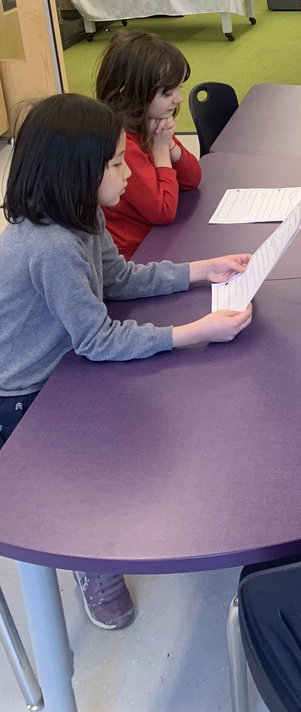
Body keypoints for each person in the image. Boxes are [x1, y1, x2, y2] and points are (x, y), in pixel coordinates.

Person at [0, 94, 252, 631]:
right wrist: (194, 333)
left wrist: (200, 270)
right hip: (24, 395)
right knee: (83, 474)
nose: (127, 172)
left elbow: (117, 280)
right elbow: (98, 338)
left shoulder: (82, 213)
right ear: (77, 173)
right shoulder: (49, 246)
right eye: (116, 164)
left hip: (66, 359)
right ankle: (90, 559)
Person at [95, 31, 201, 260]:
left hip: (159, 240)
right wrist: (161, 149)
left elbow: (192, 179)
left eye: (179, 87)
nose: (179, 98)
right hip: (136, 255)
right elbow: (163, 210)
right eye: (167, 93)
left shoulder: (148, 123)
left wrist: (170, 147)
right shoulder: (122, 143)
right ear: (129, 92)